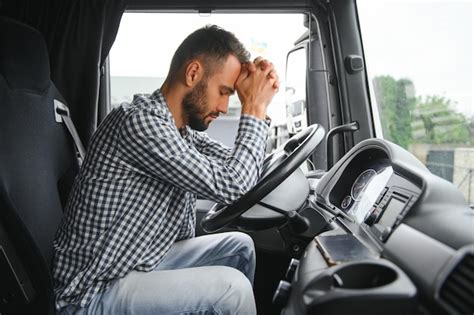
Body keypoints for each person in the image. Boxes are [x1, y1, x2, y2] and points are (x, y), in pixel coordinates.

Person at [52, 24, 279, 314]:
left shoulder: (180, 131)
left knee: (239, 247)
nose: (225, 107)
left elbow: (240, 167)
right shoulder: (140, 124)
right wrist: (254, 109)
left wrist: (260, 108)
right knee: (232, 290)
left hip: (134, 262)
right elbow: (233, 185)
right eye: (223, 92)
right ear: (193, 73)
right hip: (91, 291)